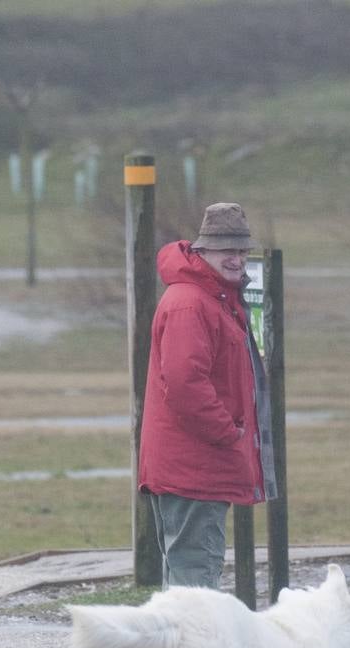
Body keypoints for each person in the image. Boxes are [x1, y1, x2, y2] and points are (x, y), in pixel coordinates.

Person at [137, 202, 276, 589]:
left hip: (196, 466)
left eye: (241, 250)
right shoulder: (190, 303)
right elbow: (184, 384)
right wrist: (228, 433)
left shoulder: (213, 298)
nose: (236, 259)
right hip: (193, 467)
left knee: (186, 577)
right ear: (202, 252)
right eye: (226, 250)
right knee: (195, 581)